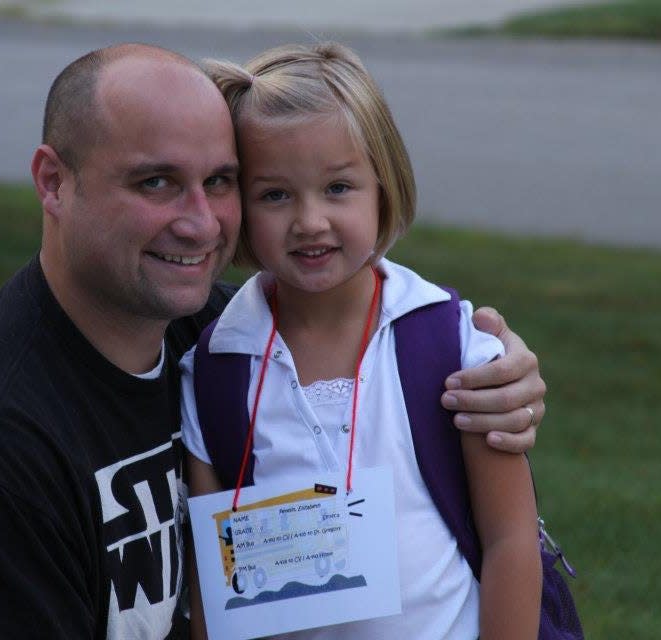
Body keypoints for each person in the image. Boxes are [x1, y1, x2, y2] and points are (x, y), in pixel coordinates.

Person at [0, 43, 545, 640]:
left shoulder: (204, 333)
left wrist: (497, 366)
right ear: (53, 182)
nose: (199, 223)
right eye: (155, 182)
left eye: (217, 182)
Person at [183, 43, 542, 639]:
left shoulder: (451, 344)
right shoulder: (216, 371)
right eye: (274, 194)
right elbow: (209, 586)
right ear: (237, 204)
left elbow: (510, 539)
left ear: (384, 185)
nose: (310, 221)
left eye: (338, 188)